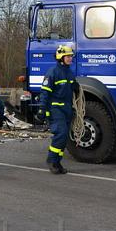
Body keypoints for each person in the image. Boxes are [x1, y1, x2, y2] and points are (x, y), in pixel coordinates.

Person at [38, 45, 78, 175]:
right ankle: (52, 160)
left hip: (67, 108)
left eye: (71, 56)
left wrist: (75, 87)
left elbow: (71, 89)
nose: (70, 58)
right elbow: (45, 92)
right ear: (61, 57)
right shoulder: (52, 72)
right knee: (60, 133)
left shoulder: (69, 72)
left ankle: (57, 162)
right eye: (68, 56)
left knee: (65, 136)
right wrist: (42, 109)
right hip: (55, 108)